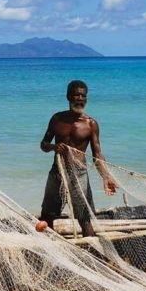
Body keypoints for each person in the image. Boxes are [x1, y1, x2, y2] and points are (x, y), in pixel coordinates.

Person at [39, 80, 117, 237]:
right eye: (77, 95)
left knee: (84, 219)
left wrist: (105, 177)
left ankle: (94, 252)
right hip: (57, 173)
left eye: (83, 95)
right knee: (47, 215)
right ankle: (51, 247)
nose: (80, 98)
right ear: (68, 97)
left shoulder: (91, 124)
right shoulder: (57, 119)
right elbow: (43, 144)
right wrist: (54, 147)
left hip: (79, 175)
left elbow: (97, 154)